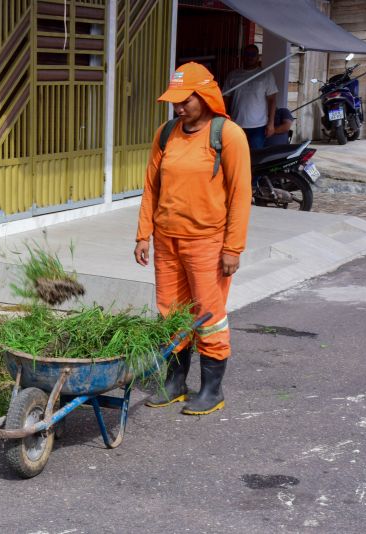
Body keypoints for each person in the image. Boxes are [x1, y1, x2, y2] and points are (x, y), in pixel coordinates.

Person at [134, 62, 252, 415]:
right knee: (170, 313)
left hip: (208, 243)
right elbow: (151, 186)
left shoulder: (227, 135)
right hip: (167, 241)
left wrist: (233, 247)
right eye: (175, 102)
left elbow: (240, 194)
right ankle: (174, 383)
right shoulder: (166, 133)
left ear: (205, 97)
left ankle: (211, 389)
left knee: (208, 313)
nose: (179, 108)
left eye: (186, 101)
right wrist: (143, 235)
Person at [223, 44, 278, 149]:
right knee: (236, 155)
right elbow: (226, 98)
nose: (250, 56)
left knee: (255, 158)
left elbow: (272, 100)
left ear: (258, 57)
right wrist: (224, 120)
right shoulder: (233, 75)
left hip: (258, 127)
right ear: (243, 56)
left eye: (253, 54)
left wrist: (271, 124)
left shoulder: (266, 75)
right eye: (247, 54)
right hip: (236, 124)